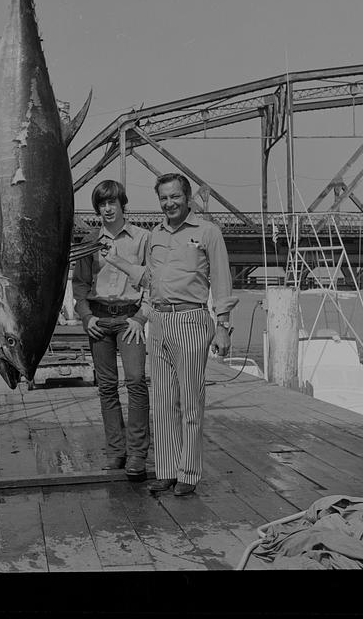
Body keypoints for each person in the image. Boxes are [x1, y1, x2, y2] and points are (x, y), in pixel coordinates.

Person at [102, 173, 237, 496]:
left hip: (191, 320)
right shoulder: (155, 235)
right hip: (159, 322)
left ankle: (188, 472)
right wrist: (117, 260)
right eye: (164, 198)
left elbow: (221, 282)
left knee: (190, 402)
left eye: (175, 197)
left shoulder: (208, 232)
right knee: (163, 402)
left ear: (187, 198)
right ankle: (166, 470)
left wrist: (223, 327)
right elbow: (148, 279)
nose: (169, 203)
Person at [72, 180, 150, 481]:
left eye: (112, 203)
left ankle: (138, 454)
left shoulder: (143, 239)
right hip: (100, 321)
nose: (107, 208)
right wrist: (86, 316)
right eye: (102, 204)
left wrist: (141, 318)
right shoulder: (90, 241)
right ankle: (117, 452)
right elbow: (79, 285)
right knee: (106, 387)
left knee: (135, 382)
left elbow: (151, 283)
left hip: (129, 320)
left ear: (122, 204)